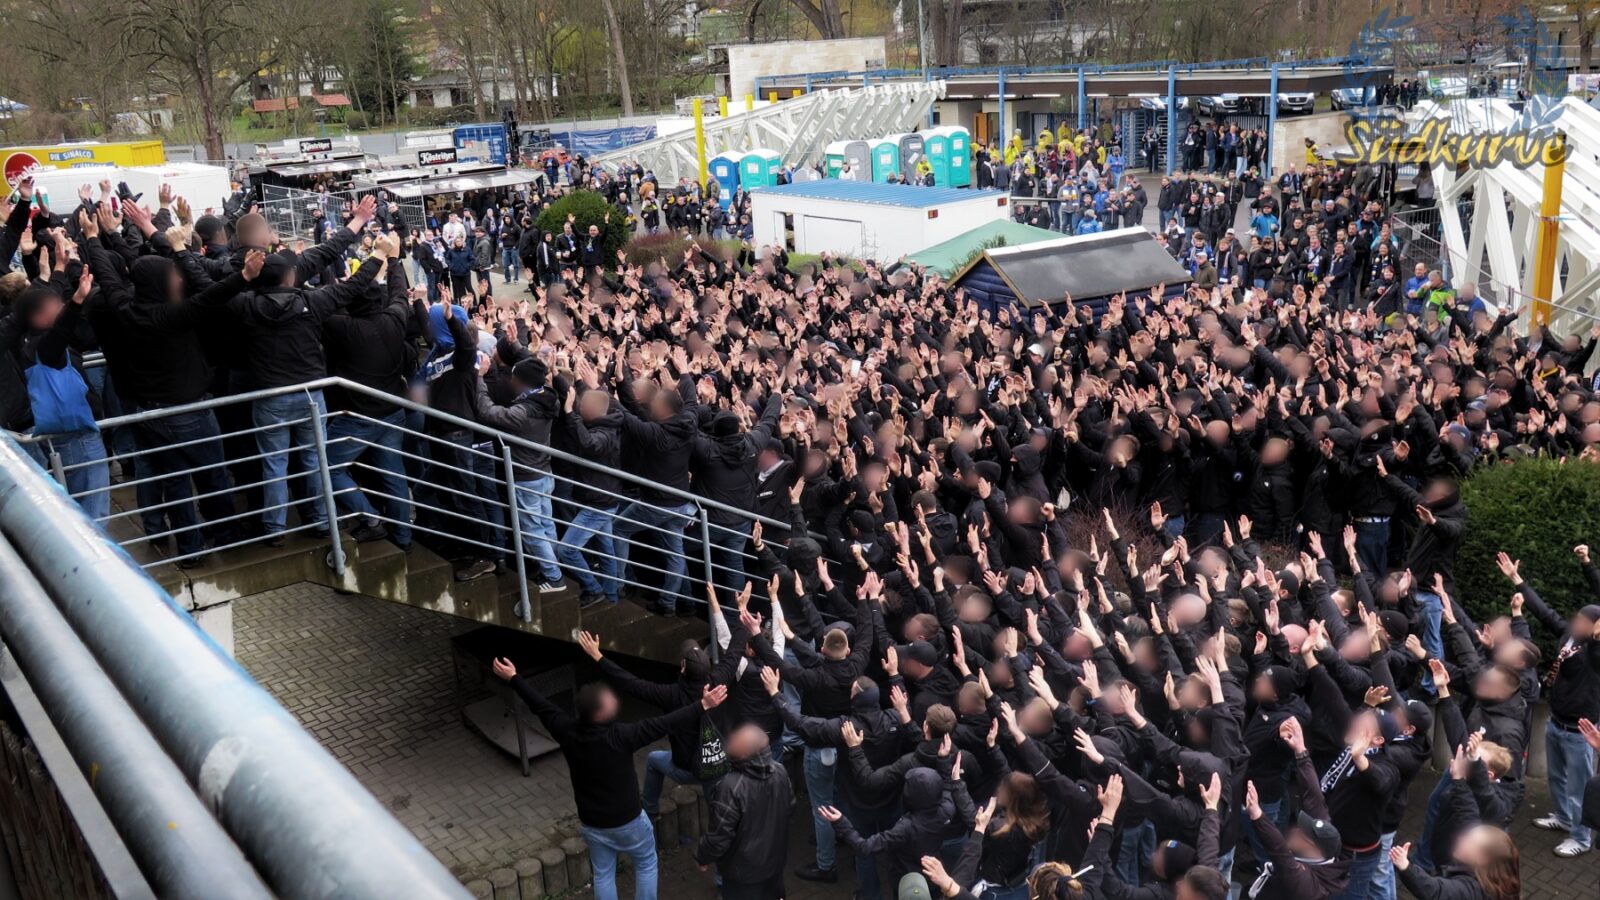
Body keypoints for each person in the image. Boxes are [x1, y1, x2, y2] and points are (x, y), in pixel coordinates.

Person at [491, 654, 728, 900]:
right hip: (629, 822)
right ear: (600, 714)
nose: (615, 700)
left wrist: (514, 678)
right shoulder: (621, 737)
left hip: (592, 823)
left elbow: (540, 705)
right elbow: (664, 723)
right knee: (646, 862)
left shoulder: (566, 730)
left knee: (603, 874)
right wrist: (702, 705)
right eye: (609, 701)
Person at [695, 723, 793, 900]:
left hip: (743, 874)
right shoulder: (780, 771)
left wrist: (703, 857)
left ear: (745, 753)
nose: (729, 738)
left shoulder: (730, 787)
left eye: (735, 740)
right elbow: (790, 806)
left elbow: (719, 836)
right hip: (774, 865)